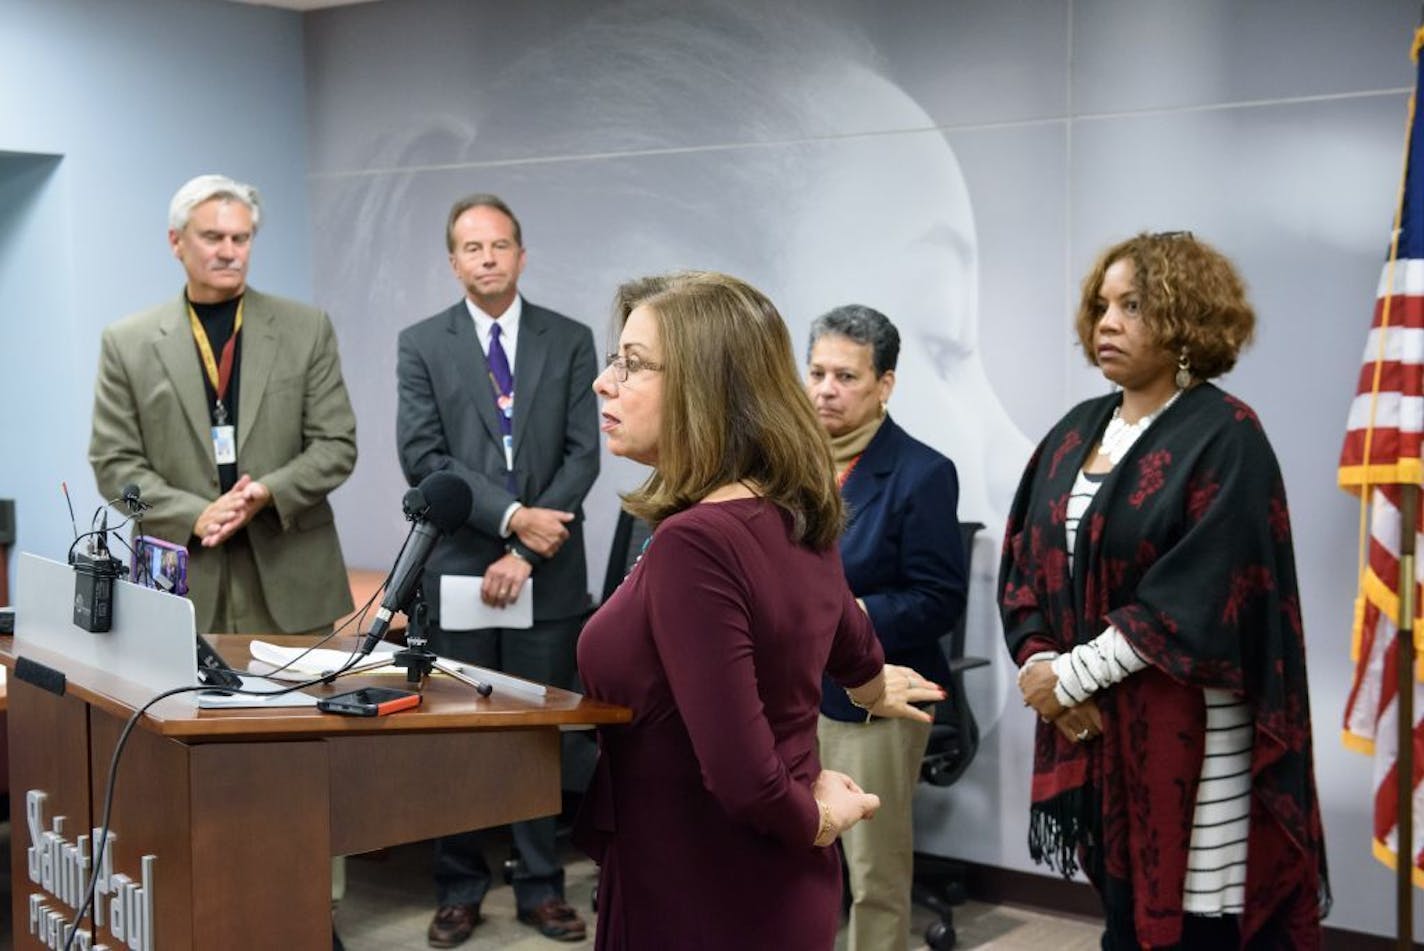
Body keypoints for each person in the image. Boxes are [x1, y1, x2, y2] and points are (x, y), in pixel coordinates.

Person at [576, 271, 946, 950]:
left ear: (704, 385)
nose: (605, 382)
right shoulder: (785, 509)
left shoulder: (697, 541)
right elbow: (854, 643)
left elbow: (744, 777)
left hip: (705, 890)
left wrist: (815, 814)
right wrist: (868, 687)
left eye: (632, 364)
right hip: (751, 879)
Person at [999, 232, 1328, 948]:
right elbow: (1025, 562)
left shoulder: (1226, 434)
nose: (1107, 321)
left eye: (1135, 305)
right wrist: (1037, 663)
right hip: (1094, 720)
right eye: (1102, 304)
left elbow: (1194, 596)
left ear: (1186, 320)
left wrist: (1069, 676)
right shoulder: (1075, 431)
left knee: (1191, 923)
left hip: (1192, 736)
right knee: (1123, 914)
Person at [397, 193, 598, 946]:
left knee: (536, 732)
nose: (487, 258)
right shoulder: (421, 343)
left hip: (547, 570)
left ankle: (542, 887)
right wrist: (510, 520)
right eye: (472, 247)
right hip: (458, 567)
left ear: (521, 253)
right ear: (453, 261)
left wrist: (528, 546)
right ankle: (458, 885)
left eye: (500, 244)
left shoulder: (570, 339)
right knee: (460, 734)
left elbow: (585, 452)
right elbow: (424, 458)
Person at [89, 173, 357, 635]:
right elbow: (114, 464)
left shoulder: (306, 328)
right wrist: (196, 513)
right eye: (213, 237)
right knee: (180, 709)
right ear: (176, 242)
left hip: (292, 575)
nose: (229, 251)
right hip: (178, 580)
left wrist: (267, 491)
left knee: (300, 709)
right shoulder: (127, 342)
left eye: (241, 237)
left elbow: (336, 446)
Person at [805, 304, 965, 951]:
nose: (825, 389)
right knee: (794, 854)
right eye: (816, 371)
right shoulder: (785, 462)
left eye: (845, 376)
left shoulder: (922, 472)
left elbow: (938, 598)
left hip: (873, 693)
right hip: (787, 689)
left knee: (871, 868)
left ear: (885, 384)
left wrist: (852, 612)